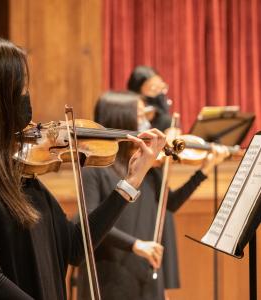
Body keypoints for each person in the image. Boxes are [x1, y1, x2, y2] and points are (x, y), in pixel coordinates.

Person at [0, 31, 167, 300]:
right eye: (21, 88)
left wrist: (131, 181)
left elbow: (74, 247)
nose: (27, 98)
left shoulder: (20, 174)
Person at [76, 91, 229, 300]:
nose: (147, 124)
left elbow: (170, 204)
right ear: (121, 120)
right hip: (109, 277)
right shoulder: (94, 168)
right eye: (140, 117)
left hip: (145, 273)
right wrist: (135, 245)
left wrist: (204, 170)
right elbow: (87, 221)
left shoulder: (147, 165)